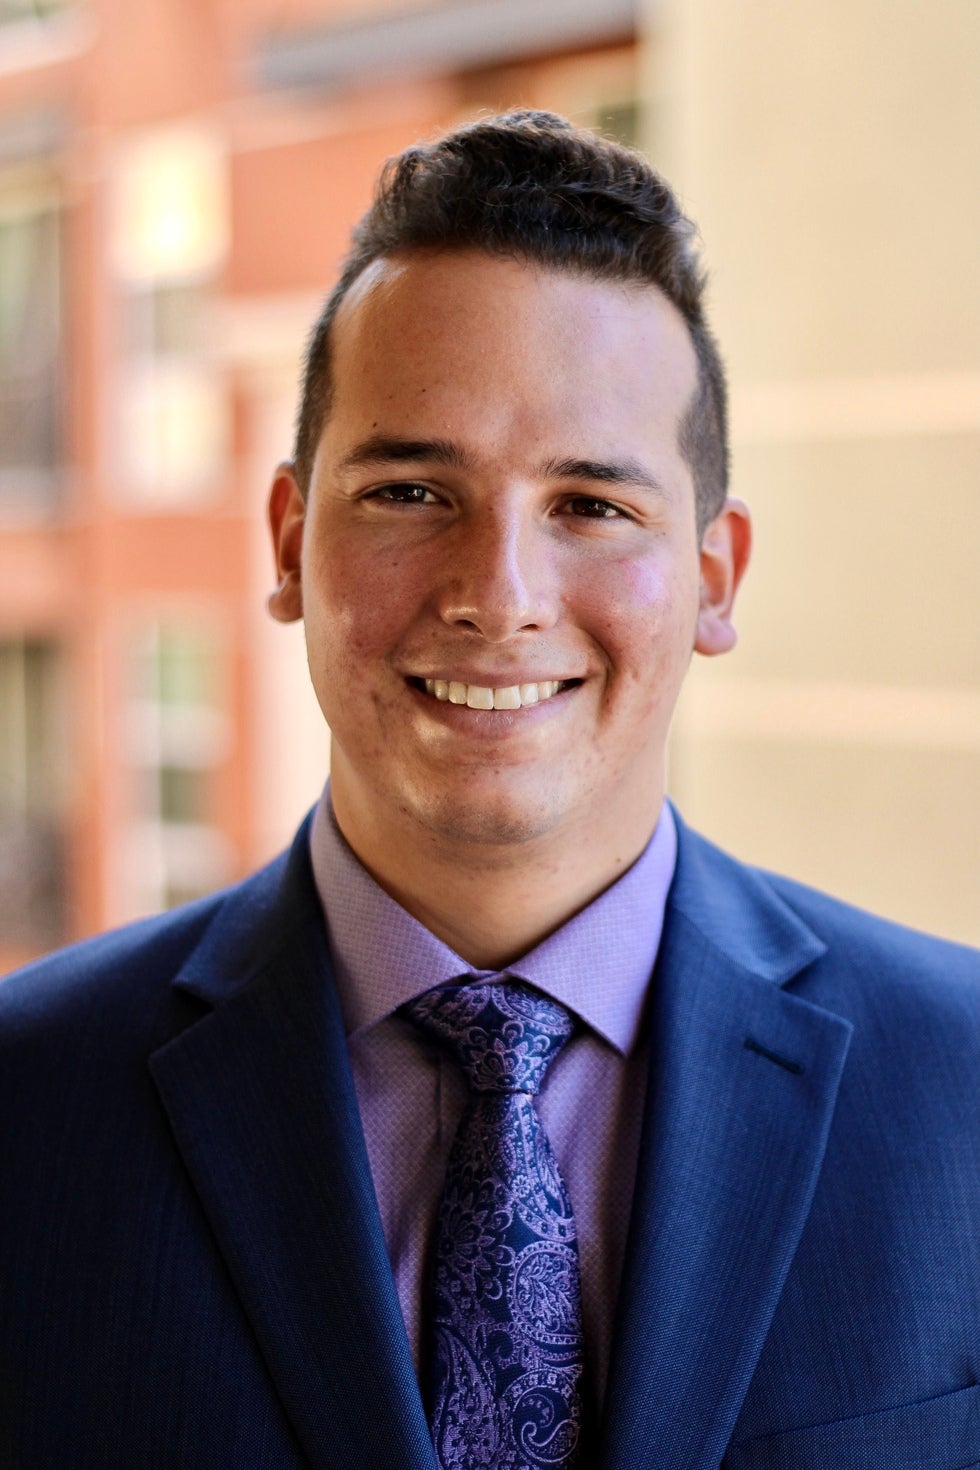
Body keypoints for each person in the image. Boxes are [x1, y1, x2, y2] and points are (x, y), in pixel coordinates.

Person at [1, 111, 977, 1470]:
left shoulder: (962, 1084)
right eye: (411, 491)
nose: (499, 596)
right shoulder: (27, 1101)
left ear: (715, 578)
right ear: (289, 545)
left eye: (592, 506)